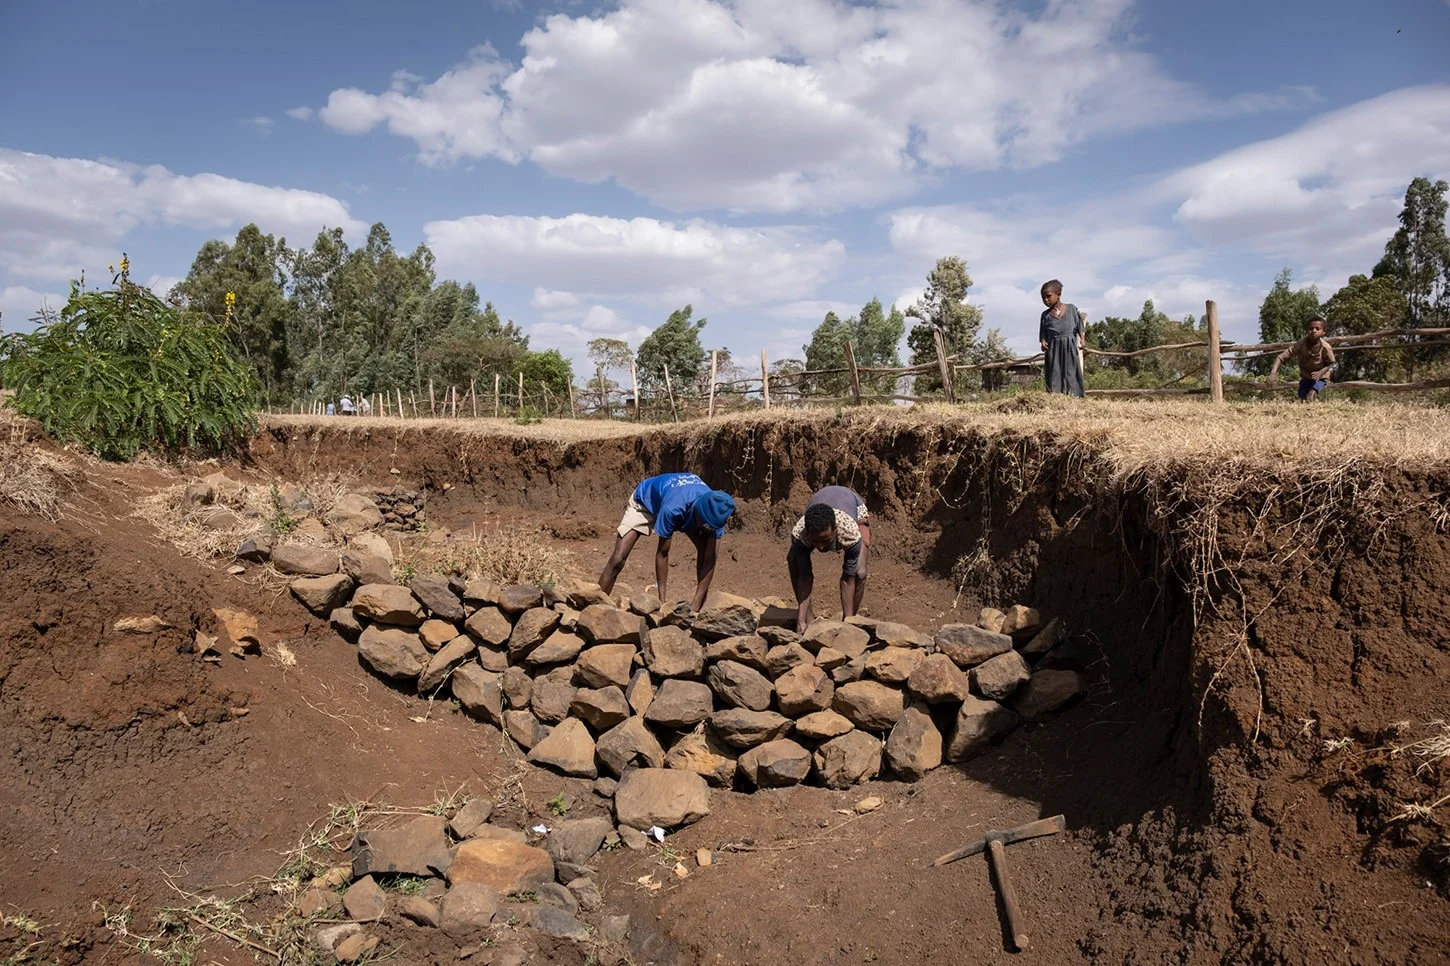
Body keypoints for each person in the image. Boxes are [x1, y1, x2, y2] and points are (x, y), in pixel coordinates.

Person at [598, 473, 736, 610]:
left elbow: (710, 559)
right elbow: (662, 553)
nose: (705, 530)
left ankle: (698, 609)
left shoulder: (717, 512)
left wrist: (694, 608)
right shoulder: (673, 508)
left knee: (706, 549)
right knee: (618, 559)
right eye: (703, 525)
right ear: (698, 514)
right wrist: (662, 604)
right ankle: (595, 607)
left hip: (686, 509)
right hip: (645, 502)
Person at [787, 485, 870, 631]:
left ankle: (851, 620)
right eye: (815, 541)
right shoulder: (801, 535)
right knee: (793, 561)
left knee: (859, 572)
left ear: (835, 530)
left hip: (852, 505)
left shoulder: (849, 532)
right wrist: (800, 620)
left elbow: (847, 579)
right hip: (821, 500)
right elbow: (805, 577)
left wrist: (848, 627)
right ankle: (808, 619)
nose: (820, 547)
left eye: (826, 540)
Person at [1268, 316, 1336, 402]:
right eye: (1311, 328)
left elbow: (1332, 362)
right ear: (1307, 330)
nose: (1314, 331)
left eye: (1317, 328)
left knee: (1311, 395)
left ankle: (1314, 413)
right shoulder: (1300, 345)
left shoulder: (1326, 347)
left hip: (1320, 377)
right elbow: (1280, 357)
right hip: (1306, 377)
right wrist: (1273, 373)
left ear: (1324, 332)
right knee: (1302, 399)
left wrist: (1321, 372)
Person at [1039, 280, 1085, 397]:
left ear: (1058, 294)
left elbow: (1079, 325)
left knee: (1071, 371)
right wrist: (1043, 342)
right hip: (1053, 348)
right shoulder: (1045, 315)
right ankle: (1056, 397)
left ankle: (1074, 396)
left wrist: (1082, 339)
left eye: (1048, 296)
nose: (1046, 300)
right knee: (1055, 372)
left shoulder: (1071, 309)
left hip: (1069, 346)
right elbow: (1043, 332)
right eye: (1043, 298)